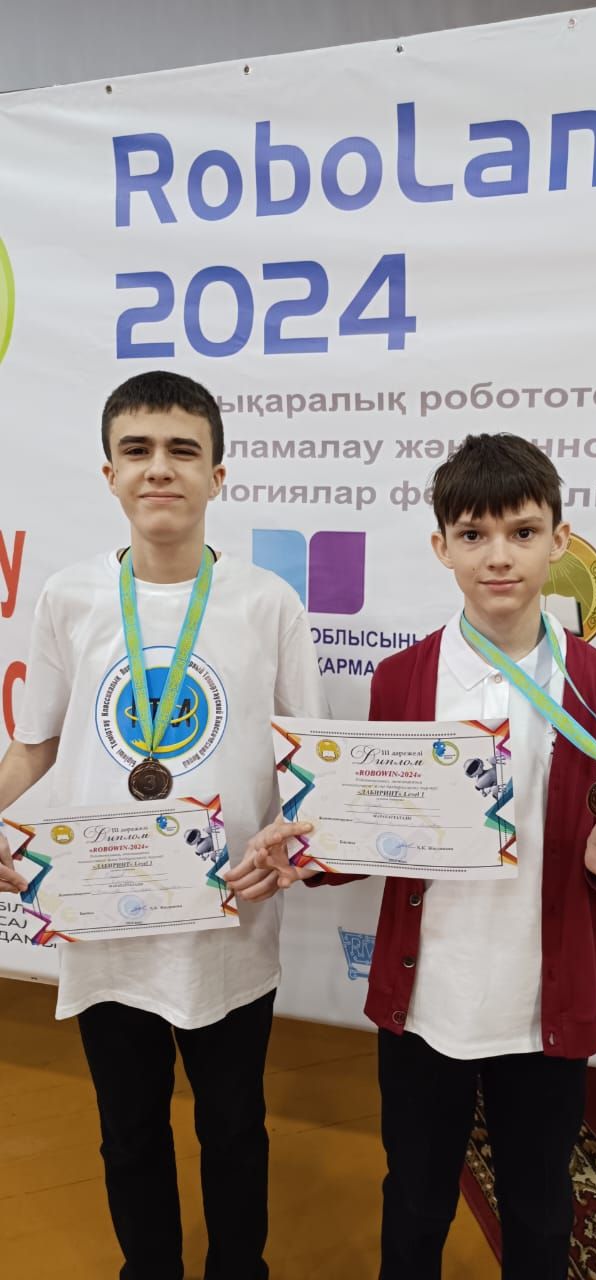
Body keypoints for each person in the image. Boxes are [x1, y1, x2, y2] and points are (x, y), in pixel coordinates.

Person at [230, 432, 596, 1280]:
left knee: (539, 1206)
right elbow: (376, 825)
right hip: (426, 999)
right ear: (441, 547)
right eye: (473, 534)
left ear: (560, 540)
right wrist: (309, 852)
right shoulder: (402, 679)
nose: (499, 556)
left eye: (522, 532)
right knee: (417, 1198)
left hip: (542, 1005)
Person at [0, 369, 326, 1280]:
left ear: (217, 475)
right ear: (108, 473)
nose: (159, 468)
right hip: (105, 921)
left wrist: (291, 843)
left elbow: (308, 768)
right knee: (128, 1129)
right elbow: (36, 746)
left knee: (235, 1126)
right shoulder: (70, 597)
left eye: (184, 450)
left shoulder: (266, 603)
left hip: (228, 923)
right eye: (137, 450)